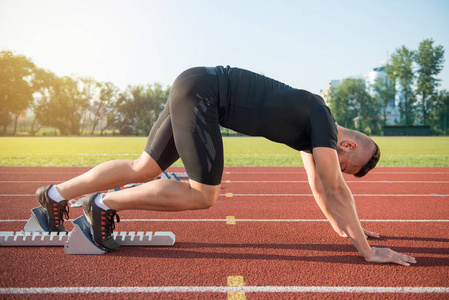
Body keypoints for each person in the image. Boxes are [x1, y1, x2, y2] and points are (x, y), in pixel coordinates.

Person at [36, 66, 416, 266]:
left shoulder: (314, 121)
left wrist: (344, 230)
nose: (339, 166)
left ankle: (55, 196)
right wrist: (367, 251)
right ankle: (102, 204)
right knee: (203, 195)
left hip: (193, 81)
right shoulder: (323, 124)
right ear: (346, 145)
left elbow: (320, 186)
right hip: (204, 95)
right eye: (347, 164)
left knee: (144, 167)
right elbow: (335, 187)